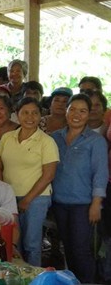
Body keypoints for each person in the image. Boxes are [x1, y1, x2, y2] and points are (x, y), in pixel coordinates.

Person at [0, 97, 59, 266]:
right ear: (17, 114)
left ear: (40, 116)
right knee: (13, 241)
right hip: (9, 197)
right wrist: (2, 192)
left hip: (36, 199)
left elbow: (49, 175)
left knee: (31, 243)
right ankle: (17, 277)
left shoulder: (47, 141)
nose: (30, 117)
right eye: (25, 113)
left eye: (35, 113)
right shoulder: (8, 137)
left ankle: (33, 279)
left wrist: (27, 200)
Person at [51, 94, 109, 283]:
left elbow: (100, 174)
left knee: (81, 249)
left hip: (83, 205)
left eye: (83, 111)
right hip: (59, 202)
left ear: (88, 114)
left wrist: (96, 203)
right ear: (66, 111)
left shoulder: (95, 141)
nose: (77, 114)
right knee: (67, 247)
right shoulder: (55, 137)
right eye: (72, 109)